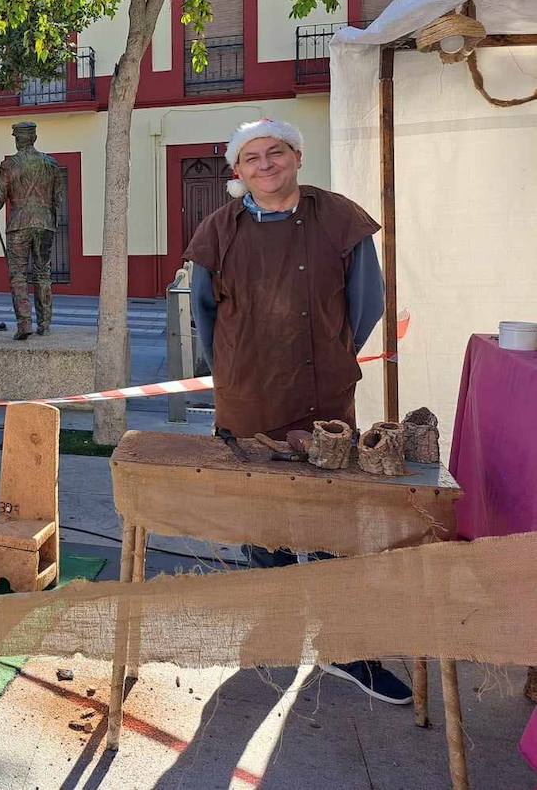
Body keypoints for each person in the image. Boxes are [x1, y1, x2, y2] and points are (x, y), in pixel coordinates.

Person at [184, 117, 409, 706]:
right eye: (251, 158)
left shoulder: (339, 218)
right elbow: (206, 316)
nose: (265, 165)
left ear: (296, 157)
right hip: (249, 395)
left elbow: (367, 305)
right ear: (237, 172)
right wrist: (236, 370)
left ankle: (345, 649)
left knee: (332, 520)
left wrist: (329, 356)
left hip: (323, 397)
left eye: (275, 153)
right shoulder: (218, 229)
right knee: (264, 523)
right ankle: (276, 631)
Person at [0, 121, 65, 339]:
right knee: (43, 273)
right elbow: (58, 199)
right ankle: (45, 324)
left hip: (19, 224)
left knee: (18, 274)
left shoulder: (9, 165)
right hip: (45, 224)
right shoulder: (52, 164)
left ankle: (24, 323)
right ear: (34, 139)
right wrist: (50, 222)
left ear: (17, 139)